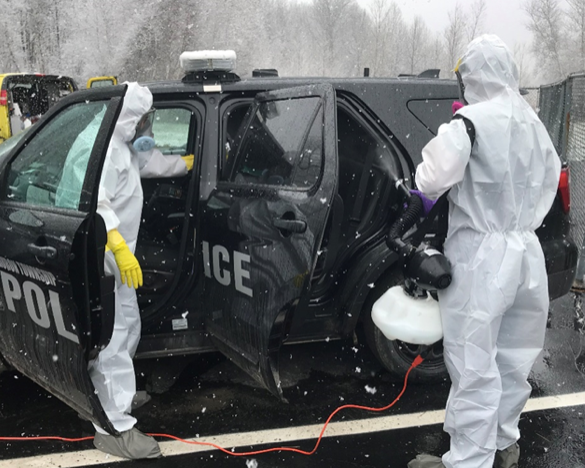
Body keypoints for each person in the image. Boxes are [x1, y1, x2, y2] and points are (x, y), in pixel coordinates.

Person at [408, 35, 561, 468]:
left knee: (473, 362)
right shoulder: (534, 124)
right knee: (513, 359)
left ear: (470, 76)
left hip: (482, 255)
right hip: (526, 252)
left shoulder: (470, 123)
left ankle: (469, 461)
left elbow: (431, 179)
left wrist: (454, 135)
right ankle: (502, 443)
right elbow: (549, 179)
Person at [89, 82, 194, 460]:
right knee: (114, 339)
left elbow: (152, 164)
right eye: (144, 119)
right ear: (130, 118)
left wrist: (188, 164)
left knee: (129, 326)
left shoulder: (128, 149)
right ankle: (112, 427)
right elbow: (97, 205)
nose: (147, 126)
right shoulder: (109, 154)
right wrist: (116, 244)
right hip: (108, 259)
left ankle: (122, 395)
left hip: (122, 265)